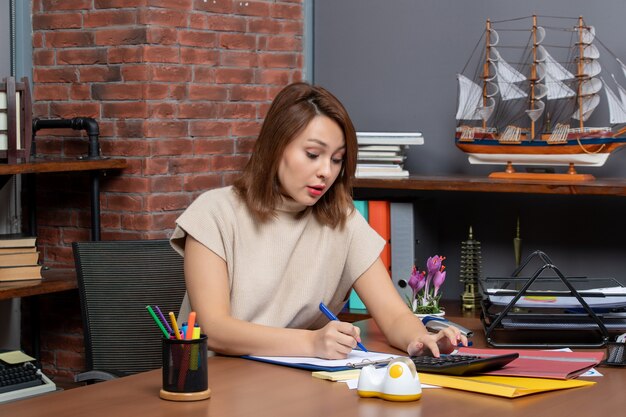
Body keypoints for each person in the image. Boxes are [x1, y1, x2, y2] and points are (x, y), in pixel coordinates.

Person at [170, 82, 466, 359]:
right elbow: (215, 329)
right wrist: (310, 342)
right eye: (313, 154)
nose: (326, 171)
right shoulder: (214, 213)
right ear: (275, 148)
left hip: (290, 385)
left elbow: (393, 314)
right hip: (215, 385)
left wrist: (419, 339)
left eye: (337, 159)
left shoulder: (342, 219)